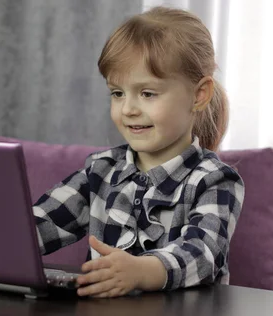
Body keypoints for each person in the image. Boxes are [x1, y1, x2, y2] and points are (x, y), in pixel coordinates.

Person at [33, 6, 244, 298]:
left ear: (199, 95)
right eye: (117, 93)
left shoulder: (215, 180)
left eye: (147, 93)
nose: (129, 109)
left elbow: (203, 253)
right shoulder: (100, 170)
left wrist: (142, 271)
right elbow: (38, 226)